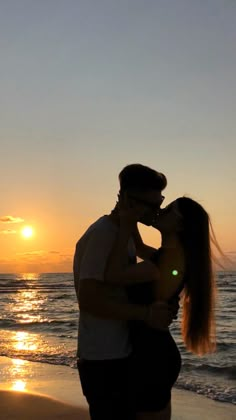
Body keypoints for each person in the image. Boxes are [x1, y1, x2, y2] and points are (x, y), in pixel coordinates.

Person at [73, 164, 179, 420]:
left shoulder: (123, 233)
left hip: (121, 352)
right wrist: (145, 314)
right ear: (129, 200)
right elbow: (88, 300)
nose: (157, 212)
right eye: (152, 206)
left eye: (160, 203)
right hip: (103, 357)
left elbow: (145, 255)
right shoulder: (103, 235)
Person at [105, 195, 217, 420]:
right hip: (153, 354)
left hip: (151, 358)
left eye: (168, 211)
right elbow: (137, 247)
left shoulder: (168, 263)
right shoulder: (167, 257)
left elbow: (113, 275)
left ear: (180, 224)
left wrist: (127, 225)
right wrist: (132, 215)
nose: (160, 211)